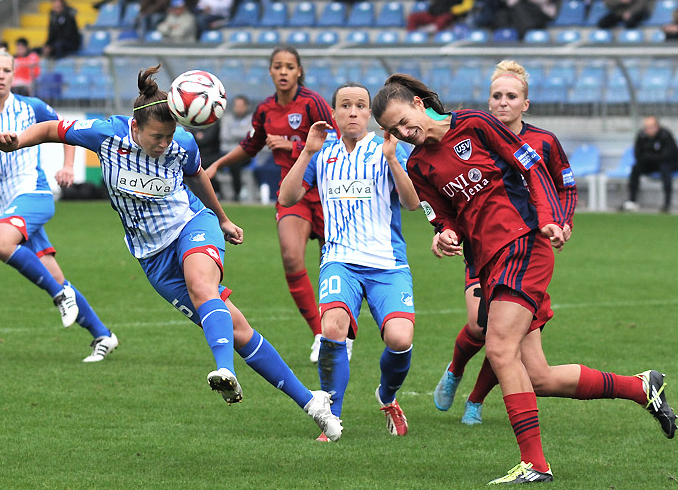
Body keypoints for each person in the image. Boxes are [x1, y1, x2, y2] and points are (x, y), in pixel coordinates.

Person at [0, 64, 343, 441]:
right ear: (135, 127)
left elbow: (197, 176)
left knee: (202, 286)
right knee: (237, 329)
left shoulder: (183, 143)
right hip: (151, 258)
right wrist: (19, 141)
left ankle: (225, 371)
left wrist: (221, 219)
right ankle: (312, 403)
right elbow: (51, 129)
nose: (164, 144)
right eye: (157, 137)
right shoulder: (105, 134)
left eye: (170, 135)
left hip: (191, 226)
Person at [372, 73, 677, 484]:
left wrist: (551, 219)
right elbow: (440, 214)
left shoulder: (475, 124)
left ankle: (535, 464)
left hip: (522, 245)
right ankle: (641, 388)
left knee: (498, 348)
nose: (404, 133)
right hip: (488, 263)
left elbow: (531, 167)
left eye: (404, 121)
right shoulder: (417, 164)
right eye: (393, 131)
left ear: (416, 101)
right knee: (538, 376)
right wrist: (444, 235)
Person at [431, 60, 578, 426]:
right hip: (482, 249)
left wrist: (562, 221)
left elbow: (566, 186)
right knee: (481, 325)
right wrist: (442, 231)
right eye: (496, 96)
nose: (503, 102)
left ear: (525, 103)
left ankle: (476, 401)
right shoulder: (474, 138)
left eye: (511, 96)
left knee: (505, 335)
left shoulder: (543, 142)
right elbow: (449, 196)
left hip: (529, 248)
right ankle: (455, 370)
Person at [0, 49, 118, 363]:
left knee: (1, 244)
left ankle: (60, 296)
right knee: (55, 274)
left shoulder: (32, 107)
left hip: (35, 194)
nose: (1, 75)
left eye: (6, 70)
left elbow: (68, 131)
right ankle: (103, 335)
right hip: (8, 207)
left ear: (13, 74)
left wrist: (69, 166)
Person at [279, 82, 419, 441]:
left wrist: (392, 159)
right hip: (340, 260)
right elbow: (287, 195)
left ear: (369, 114)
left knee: (400, 339)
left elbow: (412, 202)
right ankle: (332, 416)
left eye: (360, 105)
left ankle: (386, 395)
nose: (353, 111)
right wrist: (306, 153)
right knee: (332, 329)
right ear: (334, 113)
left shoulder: (386, 148)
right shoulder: (322, 151)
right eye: (345, 105)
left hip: (388, 263)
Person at [207, 46, 342, 364]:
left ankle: (339, 332)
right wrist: (217, 166)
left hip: (327, 192)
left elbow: (335, 141)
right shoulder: (265, 110)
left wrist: (292, 145)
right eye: (277, 66)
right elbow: (250, 146)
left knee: (334, 266)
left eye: (289, 67)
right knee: (291, 257)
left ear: (299, 72)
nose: (283, 72)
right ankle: (320, 336)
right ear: (270, 71)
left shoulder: (313, 103)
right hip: (292, 193)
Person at [622, 116, 678, 213]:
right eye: (646, 127)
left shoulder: (666, 135)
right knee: (636, 168)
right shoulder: (641, 136)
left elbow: (669, 155)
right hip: (651, 163)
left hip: (669, 163)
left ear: (657, 126)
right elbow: (638, 154)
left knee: (664, 168)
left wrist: (650, 157)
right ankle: (632, 200)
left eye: (650, 127)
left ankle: (667, 203)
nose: (648, 130)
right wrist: (650, 158)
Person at [217, 94, 252, 202]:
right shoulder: (227, 118)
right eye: (236, 105)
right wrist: (240, 133)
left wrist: (233, 133)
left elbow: (250, 135)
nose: (238, 108)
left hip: (244, 153)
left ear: (246, 106)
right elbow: (224, 135)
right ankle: (218, 193)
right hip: (226, 151)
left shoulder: (252, 119)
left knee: (234, 163)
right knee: (207, 161)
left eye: (241, 106)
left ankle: (236, 194)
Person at [492, 0, 557, 39]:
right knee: (501, 15)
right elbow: (510, 3)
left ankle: (522, 38)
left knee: (521, 10)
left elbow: (542, 0)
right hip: (519, 13)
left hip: (539, 13)